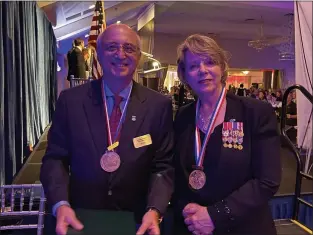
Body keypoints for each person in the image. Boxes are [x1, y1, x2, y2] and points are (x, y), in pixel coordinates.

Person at [40, 24, 174, 235]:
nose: (121, 55)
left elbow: (163, 166)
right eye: (112, 47)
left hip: (137, 219)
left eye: (129, 48)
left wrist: (155, 209)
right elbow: (55, 159)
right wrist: (60, 204)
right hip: (80, 216)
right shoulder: (71, 101)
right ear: (99, 54)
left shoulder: (158, 106)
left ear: (138, 56)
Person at [172, 34, 281, 235]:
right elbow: (179, 174)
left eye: (210, 62)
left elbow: (267, 180)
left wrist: (215, 215)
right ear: (185, 74)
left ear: (222, 68)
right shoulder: (182, 116)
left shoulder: (255, 112)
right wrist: (185, 207)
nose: (203, 70)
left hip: (243, 227)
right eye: (194, 66)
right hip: (193, 227)